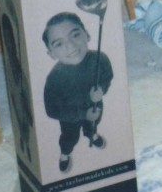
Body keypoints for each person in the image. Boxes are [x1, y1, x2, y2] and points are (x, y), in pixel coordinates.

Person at [42, 12, 113, 175]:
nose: (70, 45)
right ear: (51, 54)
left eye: (75, 35)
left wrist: (101, 89)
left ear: (86, 34)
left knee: (93, 124)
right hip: (70, 117)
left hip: (94, 106)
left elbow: (107, 76)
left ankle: (92, 135)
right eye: (58, 44)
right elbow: (51, 110)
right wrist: (82, 113)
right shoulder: (54, 78)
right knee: (69, 137)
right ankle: (65, 154)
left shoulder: (99, 58)